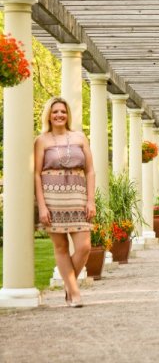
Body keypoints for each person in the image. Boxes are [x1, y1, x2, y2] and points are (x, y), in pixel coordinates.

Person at [35, 96, 96, 307]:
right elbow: (36, 174)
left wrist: (91, 201)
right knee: (60, 247)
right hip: (53, 198)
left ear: (68, 115)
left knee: (85, 247)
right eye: (55, 112)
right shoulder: (41, 140)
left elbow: (90, 170)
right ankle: (75, 293)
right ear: (49, 116)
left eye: (63, 111)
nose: (59, 115)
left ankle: (69, 287)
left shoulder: (80, 137)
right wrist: (42, 206)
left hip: (78, 197)